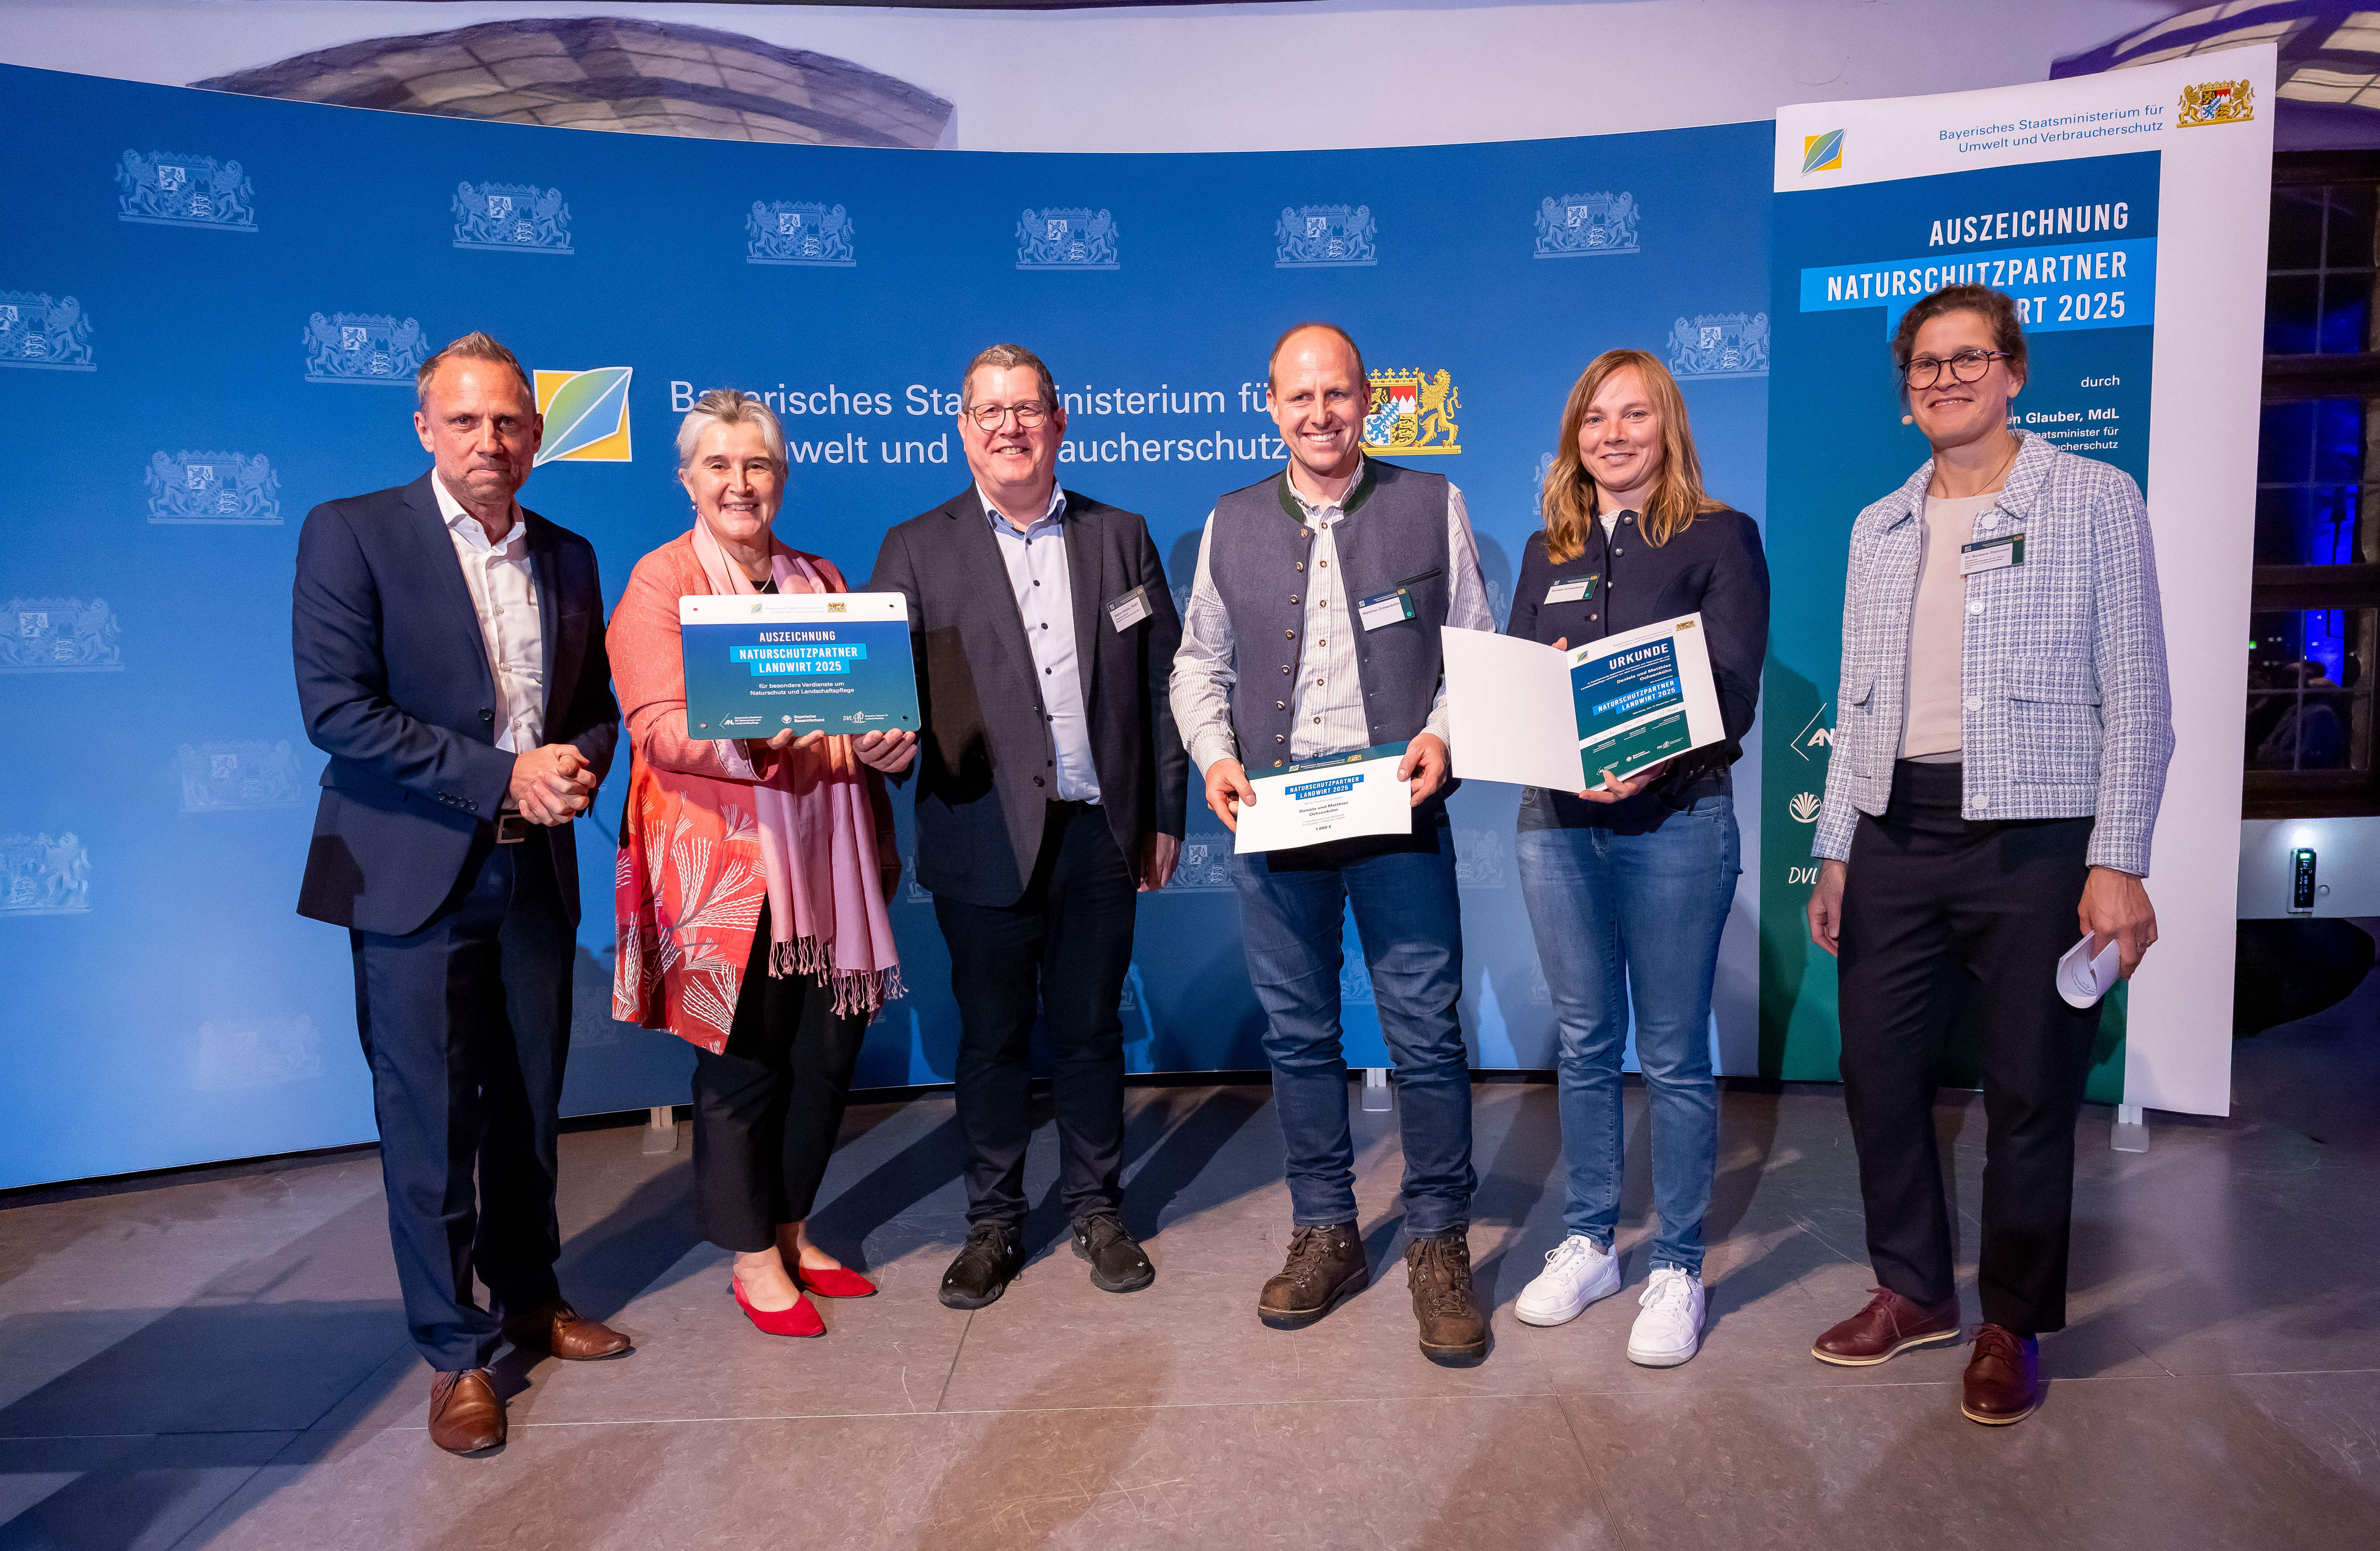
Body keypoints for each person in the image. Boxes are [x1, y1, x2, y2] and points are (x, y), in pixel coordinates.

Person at [1803, 284, 2172, 1426]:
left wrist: (2116, 857)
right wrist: (1833, 849)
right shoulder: (1878, 525)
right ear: (1904, 391)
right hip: (1894, 828)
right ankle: (1914, 1290)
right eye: (1924, 364)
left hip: (2036, 834)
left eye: (1968, 359)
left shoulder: (2093, 497)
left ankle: (2010, 1321)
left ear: (2012, 373)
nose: (1944, 379)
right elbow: (1856, 705)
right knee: (1875, 1072)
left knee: (2027, 1088)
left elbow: (2137, 694)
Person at [292, 332, 630, 1455]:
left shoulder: (570, 553)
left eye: (509, 422)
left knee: (528, 1105)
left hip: (533, 870)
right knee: (431, 1119)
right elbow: (338, 711)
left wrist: (578, 762)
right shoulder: (351, 533)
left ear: (536, 436)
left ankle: (531, 1297)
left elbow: (592, 705)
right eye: (467, 420)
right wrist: (502, 776)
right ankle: (454, 1353)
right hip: (410, 876)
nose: (490, 440)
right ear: (425, 428)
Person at [1170, 321, 1496, 1366]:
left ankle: (1438, 1239)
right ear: (1270, 406)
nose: (1320, 414)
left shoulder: (1431, 503)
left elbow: (1476, 652)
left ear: (1368, 401)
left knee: (1425, 1034)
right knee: (1299, 1034)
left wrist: (1444, 733)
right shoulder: (1229, 521)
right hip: (1274, 815)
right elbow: (1197, 664)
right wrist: (1215, 754)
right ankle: (1325, 1229)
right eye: (1300, 397)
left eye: (1339, 394)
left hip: (1397, 809)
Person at [869, 343, 1189, 1310]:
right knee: (993, 1040)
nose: (1009, 427)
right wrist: (880, 740)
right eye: (989, 411)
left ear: (1058, 422)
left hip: (1099, 834)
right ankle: (994, 1223)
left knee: (1090, 1033)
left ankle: (1096, 1209)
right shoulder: (914, 547)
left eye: (1025, 409)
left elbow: (1162, 686)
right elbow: (886, 699)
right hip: (977, 834)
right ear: (962, 430)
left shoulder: (1120, 536)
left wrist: (1162, 813)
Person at [610, 390, 914, 1339]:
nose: (740, 484)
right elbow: (656, 725)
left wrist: (888, 741)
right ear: (687, 480)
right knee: (745, 1065)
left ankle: (792, 1228)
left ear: (781, 477)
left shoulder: (820, 578)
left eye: (758, 465)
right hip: (729, 869)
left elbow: (871, 710)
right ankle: (750, 1257)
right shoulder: (662, 580)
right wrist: (743, 736)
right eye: (719, 465)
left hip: (833, 863)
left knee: (826, 1057)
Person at [1503, 350, 1769, 1367]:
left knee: (1670, 1050)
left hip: (1676, 823)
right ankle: (1589, 1243)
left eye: (1633, 415)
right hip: (1558, 824)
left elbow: (1732, 690)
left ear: (1668, 428)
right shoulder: (1548, 549)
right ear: (1574, 436)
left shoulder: (1720, 537)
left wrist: (1648, 761)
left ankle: (1678, 1265)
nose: (1611, 435)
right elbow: (1519, 679)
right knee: (1583, 1040)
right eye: (1594, 418)